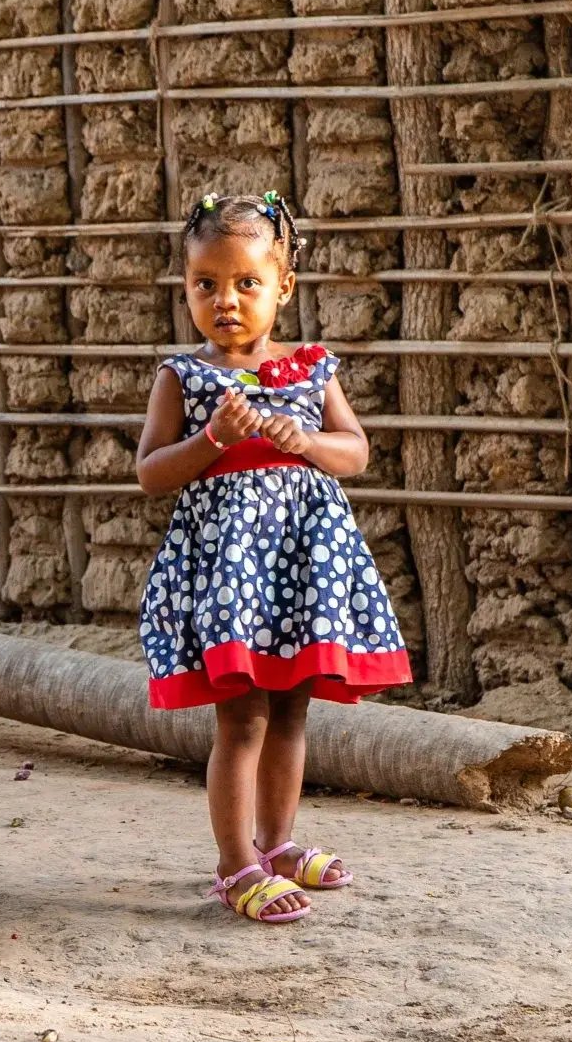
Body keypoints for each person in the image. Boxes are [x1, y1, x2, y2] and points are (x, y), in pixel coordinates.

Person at [136, 191, 412, 924]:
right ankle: (235, 865)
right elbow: (150, 472)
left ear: (283, 287)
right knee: (243, 719)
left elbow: (354, 453)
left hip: (300, 573)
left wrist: (305, 443)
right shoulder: (184, 377)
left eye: (246, 283)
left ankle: (277, 842)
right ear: (186, 286)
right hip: (231, 580)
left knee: (291, 711)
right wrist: (211, 442)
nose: (225, 300)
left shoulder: (312, 372)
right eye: (206, 284)